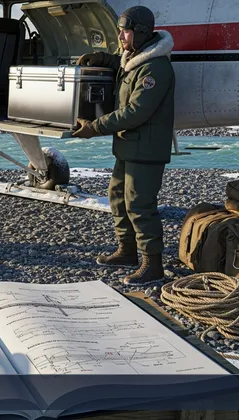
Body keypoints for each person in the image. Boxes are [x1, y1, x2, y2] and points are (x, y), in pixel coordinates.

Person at [72, 5, 175, 286]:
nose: (121, 37)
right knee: (117, 197)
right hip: (128, 145)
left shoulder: (155, 68)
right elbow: (123, 65)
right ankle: (127, 251)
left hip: (146, 148)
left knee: (140, 205)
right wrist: (104, 59)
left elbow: (136, 112)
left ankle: (153, 265)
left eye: (125, 31)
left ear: (140, 32)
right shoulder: (136, 59)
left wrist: (95, 127)